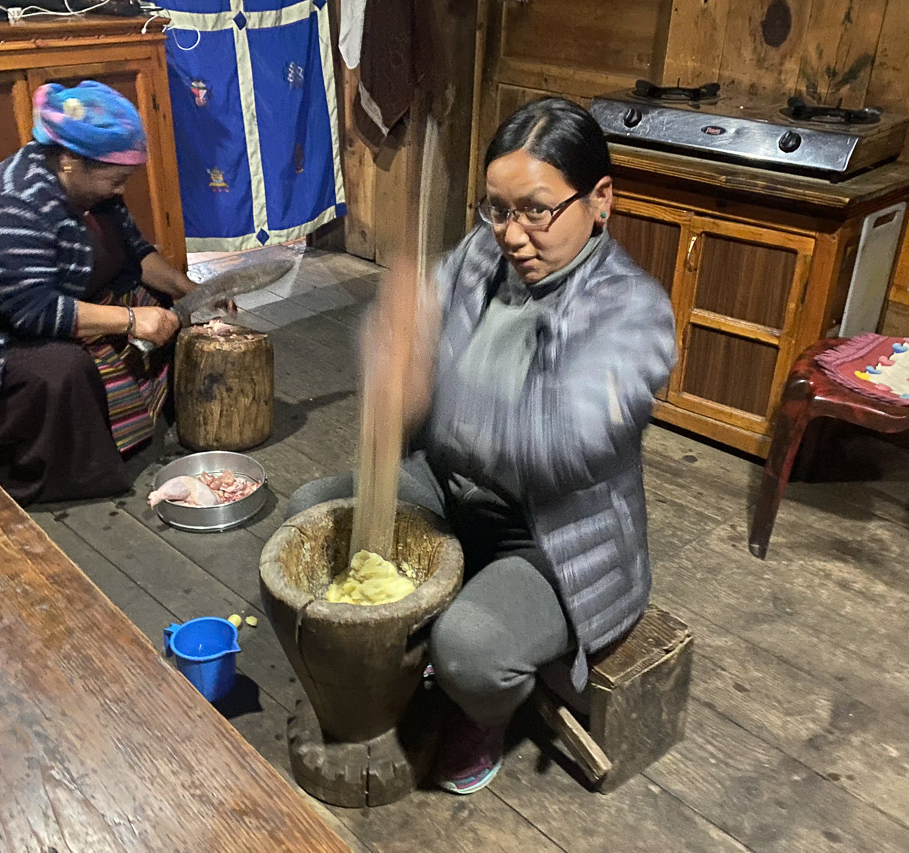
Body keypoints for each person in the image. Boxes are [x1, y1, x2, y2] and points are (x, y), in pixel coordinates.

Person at [286, 97, 677, 794]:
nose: (513, 234)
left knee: (469, 650)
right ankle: (392, 666)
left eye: (536, 210)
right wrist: (390, 338)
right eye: (496, 209)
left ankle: (482, 710)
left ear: (600, 199)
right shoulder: (482, 253)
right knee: (311, 515)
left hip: (555, 537)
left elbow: (563, 443)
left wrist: (435, 390)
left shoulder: (633, 312)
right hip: (452, 484)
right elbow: (408, 329)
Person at [0, 80, 218, 505]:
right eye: (115, 179)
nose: (121, 190)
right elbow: (34, 311)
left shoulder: (92, 190)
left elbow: (136, 255)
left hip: (82, 297)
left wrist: (193, 291)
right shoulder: (10, 202)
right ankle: (73, 470)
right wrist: (132, 321)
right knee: (65, 371)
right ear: (69, 162)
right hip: (1, 332)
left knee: (171, 310)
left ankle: (146, 421)